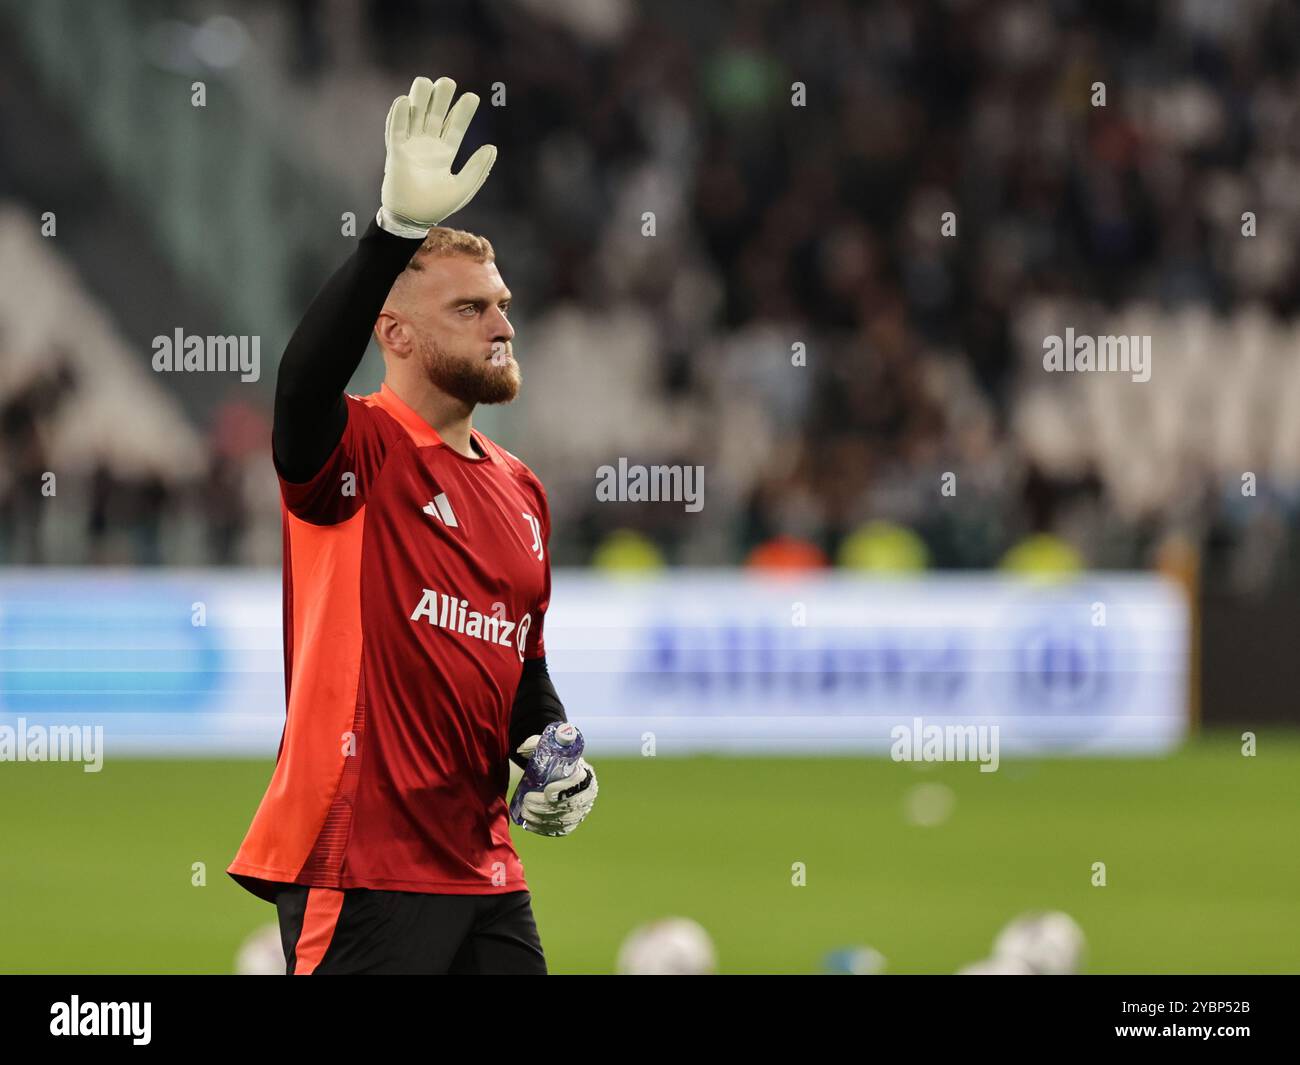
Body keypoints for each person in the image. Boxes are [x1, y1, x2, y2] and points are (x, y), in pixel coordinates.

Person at [227, 76, 598, 975]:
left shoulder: (522, 491)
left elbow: (521, 667)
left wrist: (554, 751)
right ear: (392, 332)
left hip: (484, 865)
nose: (501, 325)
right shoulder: (355, 451)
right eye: (471, 310)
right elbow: (301, 383)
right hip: (359, 860)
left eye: (503, 304)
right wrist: (391, 230)